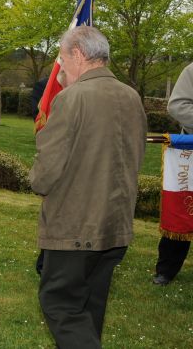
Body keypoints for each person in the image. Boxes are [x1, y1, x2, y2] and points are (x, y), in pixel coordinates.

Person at [29, 26, 146, 348]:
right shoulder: (130, 96)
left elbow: (46, 172)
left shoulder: (72, 98)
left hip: (76, 228)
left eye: (63, 60)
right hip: (115, 225)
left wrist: (36, 179)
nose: (61, 68)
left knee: (62, 306)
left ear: (78, 54)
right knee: (90, 309)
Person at [152, 62, 193, 286]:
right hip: (192, 153)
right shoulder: (192, 71)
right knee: (182, 210)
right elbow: (177, 106)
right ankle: (166, 269)